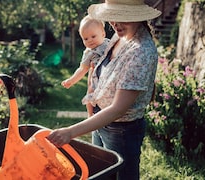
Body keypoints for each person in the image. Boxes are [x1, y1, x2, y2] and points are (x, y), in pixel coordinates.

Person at [48, 0, 161, 179]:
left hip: (121, 131)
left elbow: (118, 109)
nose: (114, 23)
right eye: (112, 17)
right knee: (102, 174)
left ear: (137, 16)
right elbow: (98, 71)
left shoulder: (142, 52)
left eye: (121, 17)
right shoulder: (119, 37)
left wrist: (70, 132)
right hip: (100, 121)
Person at [61, 15, 110, 117]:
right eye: (85, 38)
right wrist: (71, 80)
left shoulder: (110, 44)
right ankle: (90, 115)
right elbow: (82, 69)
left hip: (109, 78)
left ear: (103, 34)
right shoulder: (89, 53)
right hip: (96, 80)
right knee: (90, 93)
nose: (90, 40)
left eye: (93, 36)